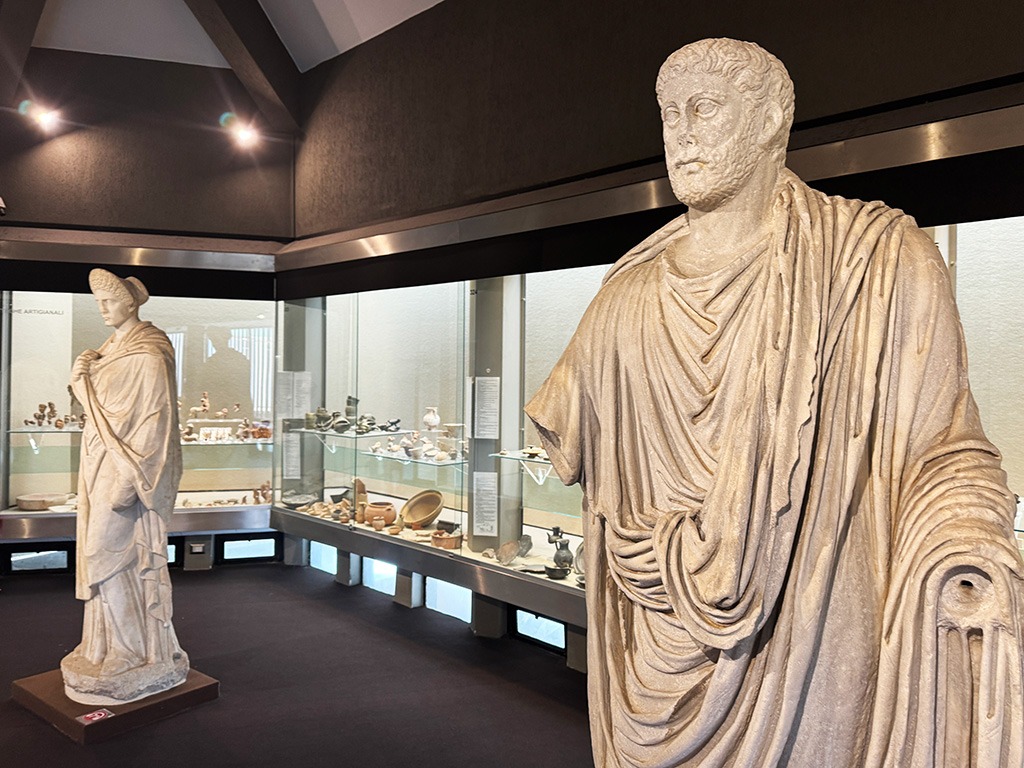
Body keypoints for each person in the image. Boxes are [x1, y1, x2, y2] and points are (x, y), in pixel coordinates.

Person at [526, 38, 1024, 767]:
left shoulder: (879, 265)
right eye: (669, 115)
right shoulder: (623, 300)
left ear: (768, 122)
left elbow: (945, 449)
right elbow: (567, 436)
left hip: (813, 630)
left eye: (704, 109)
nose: (682, 135)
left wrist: (970, 547)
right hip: (652, 642)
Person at [61, 268, 188, 704]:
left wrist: (136, 482)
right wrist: (81, 376)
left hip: (129, 470)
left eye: (108, 302)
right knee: (101, 555)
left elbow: (157, 422)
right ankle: (105, 645)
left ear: (130, 303)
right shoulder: (108, 349)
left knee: (104, 553)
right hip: (99, 462)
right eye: (98, 302)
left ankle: (132, 650)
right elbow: (96, 406)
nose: (102, 310)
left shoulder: (150, 352)